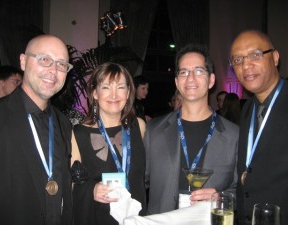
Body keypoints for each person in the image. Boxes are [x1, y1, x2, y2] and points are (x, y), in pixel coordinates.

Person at [0, 34, 73, 225]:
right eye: (45, 60)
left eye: (61, 64)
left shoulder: (64, 124)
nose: (53, 70)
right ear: (23, 61)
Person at [144, 43, 239, 214]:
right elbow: (136, 182)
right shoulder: (153, 131)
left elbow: (241, 190)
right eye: (184, 72)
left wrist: (221, 198)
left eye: (199, 71)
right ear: (177, 82)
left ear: (211, 80)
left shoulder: (234, 135)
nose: (190, 78)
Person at [71, 62, 147, 225]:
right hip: (97, 219)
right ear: (95, 93)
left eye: (120, 87)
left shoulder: (139, 126)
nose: (114, 95)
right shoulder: (78, 134)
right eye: (106, 87)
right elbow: (70, 184)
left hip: (136, 218)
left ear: (128, 93)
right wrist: (91, 189)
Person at [230, 29, 288, 224]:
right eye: (237, 60)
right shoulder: (248, 108)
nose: (246, 65)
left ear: (276, 57)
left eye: (255, 55)